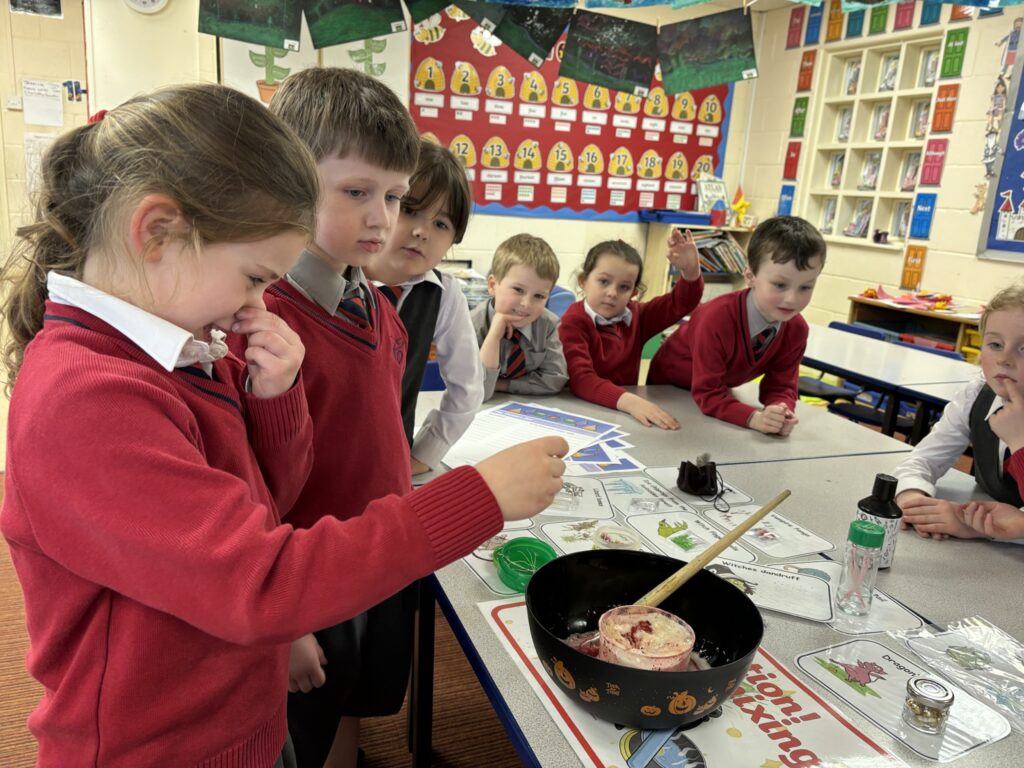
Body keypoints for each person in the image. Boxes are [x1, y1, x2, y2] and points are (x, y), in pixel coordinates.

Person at [0, 84, 567, 768]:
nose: (258, 305)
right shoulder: (86, 399)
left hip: (242, 710)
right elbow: (259, 580)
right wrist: (477, 497)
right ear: (156, 233)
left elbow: (259, 507)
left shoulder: (182, 345)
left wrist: (275, 399)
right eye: (252, 277)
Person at [261, 68, 566, 768]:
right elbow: (257, 492)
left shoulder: (370, 299)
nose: (384, 220)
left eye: (394, 197)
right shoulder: (273, 321)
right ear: (291, 180)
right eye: (359, 193)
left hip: (374, 546)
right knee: (304, 717)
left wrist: (413, 470)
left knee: (355, 696)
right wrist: (282, 628)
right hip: (313, 573)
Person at [364, 139, 482, 473]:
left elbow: (467, 388)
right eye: (410, 209)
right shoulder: (338, 275)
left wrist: (425, 453)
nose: (421, 231)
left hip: (390, 467)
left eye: (441, 224)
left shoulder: (443, 294)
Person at [647, 216, 826, 435]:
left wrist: (780, 410)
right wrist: (754, 419)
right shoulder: (715, 318)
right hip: (666, 390)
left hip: (716, 392)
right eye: (780, 285)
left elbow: (781, 385)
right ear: (750, 276)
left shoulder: (796, 329)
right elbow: (708, 394)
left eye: (805, 287)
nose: (791, 299)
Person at [894, 283, 1024, 541]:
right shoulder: (977, 395)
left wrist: (1019, 440)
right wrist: (914, 500)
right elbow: (923, 460)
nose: (1004, 359)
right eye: (995, 344)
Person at [558, 233, 703, 428]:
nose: (612, 293)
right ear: (583, 281)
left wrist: (691, 271)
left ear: (633, 292)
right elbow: (581, 379)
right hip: (582, 411)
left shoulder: (638, 315)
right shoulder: (573, 322)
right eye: (604, 281)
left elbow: (681, 303)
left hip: (624, 414)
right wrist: (631, 402)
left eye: (624, 287)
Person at [471, 233, 568, 400]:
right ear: (493, 285)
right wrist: (493, 337)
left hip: (522, 409)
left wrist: (501, 385)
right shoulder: (472, 324)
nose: (526, 303)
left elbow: (554, 380)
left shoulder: (547, 325)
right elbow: (479, 392)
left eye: (539, 296)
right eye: (518, 290)